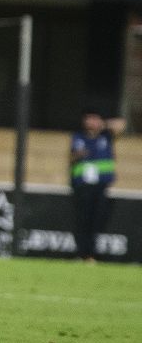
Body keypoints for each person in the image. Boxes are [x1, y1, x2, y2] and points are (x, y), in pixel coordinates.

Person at [69, 110, 125, 261]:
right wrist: (80, 154)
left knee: (97, 221)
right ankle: (80, 253)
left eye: (94, 119)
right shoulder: (78, 137)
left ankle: (91, 255)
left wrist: (103, 125)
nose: (91, 122)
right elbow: (72, 157)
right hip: (82, 186)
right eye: (89, 119)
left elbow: (121, 125)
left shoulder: (106, 136)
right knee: (82, 221)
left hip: (100, 187)